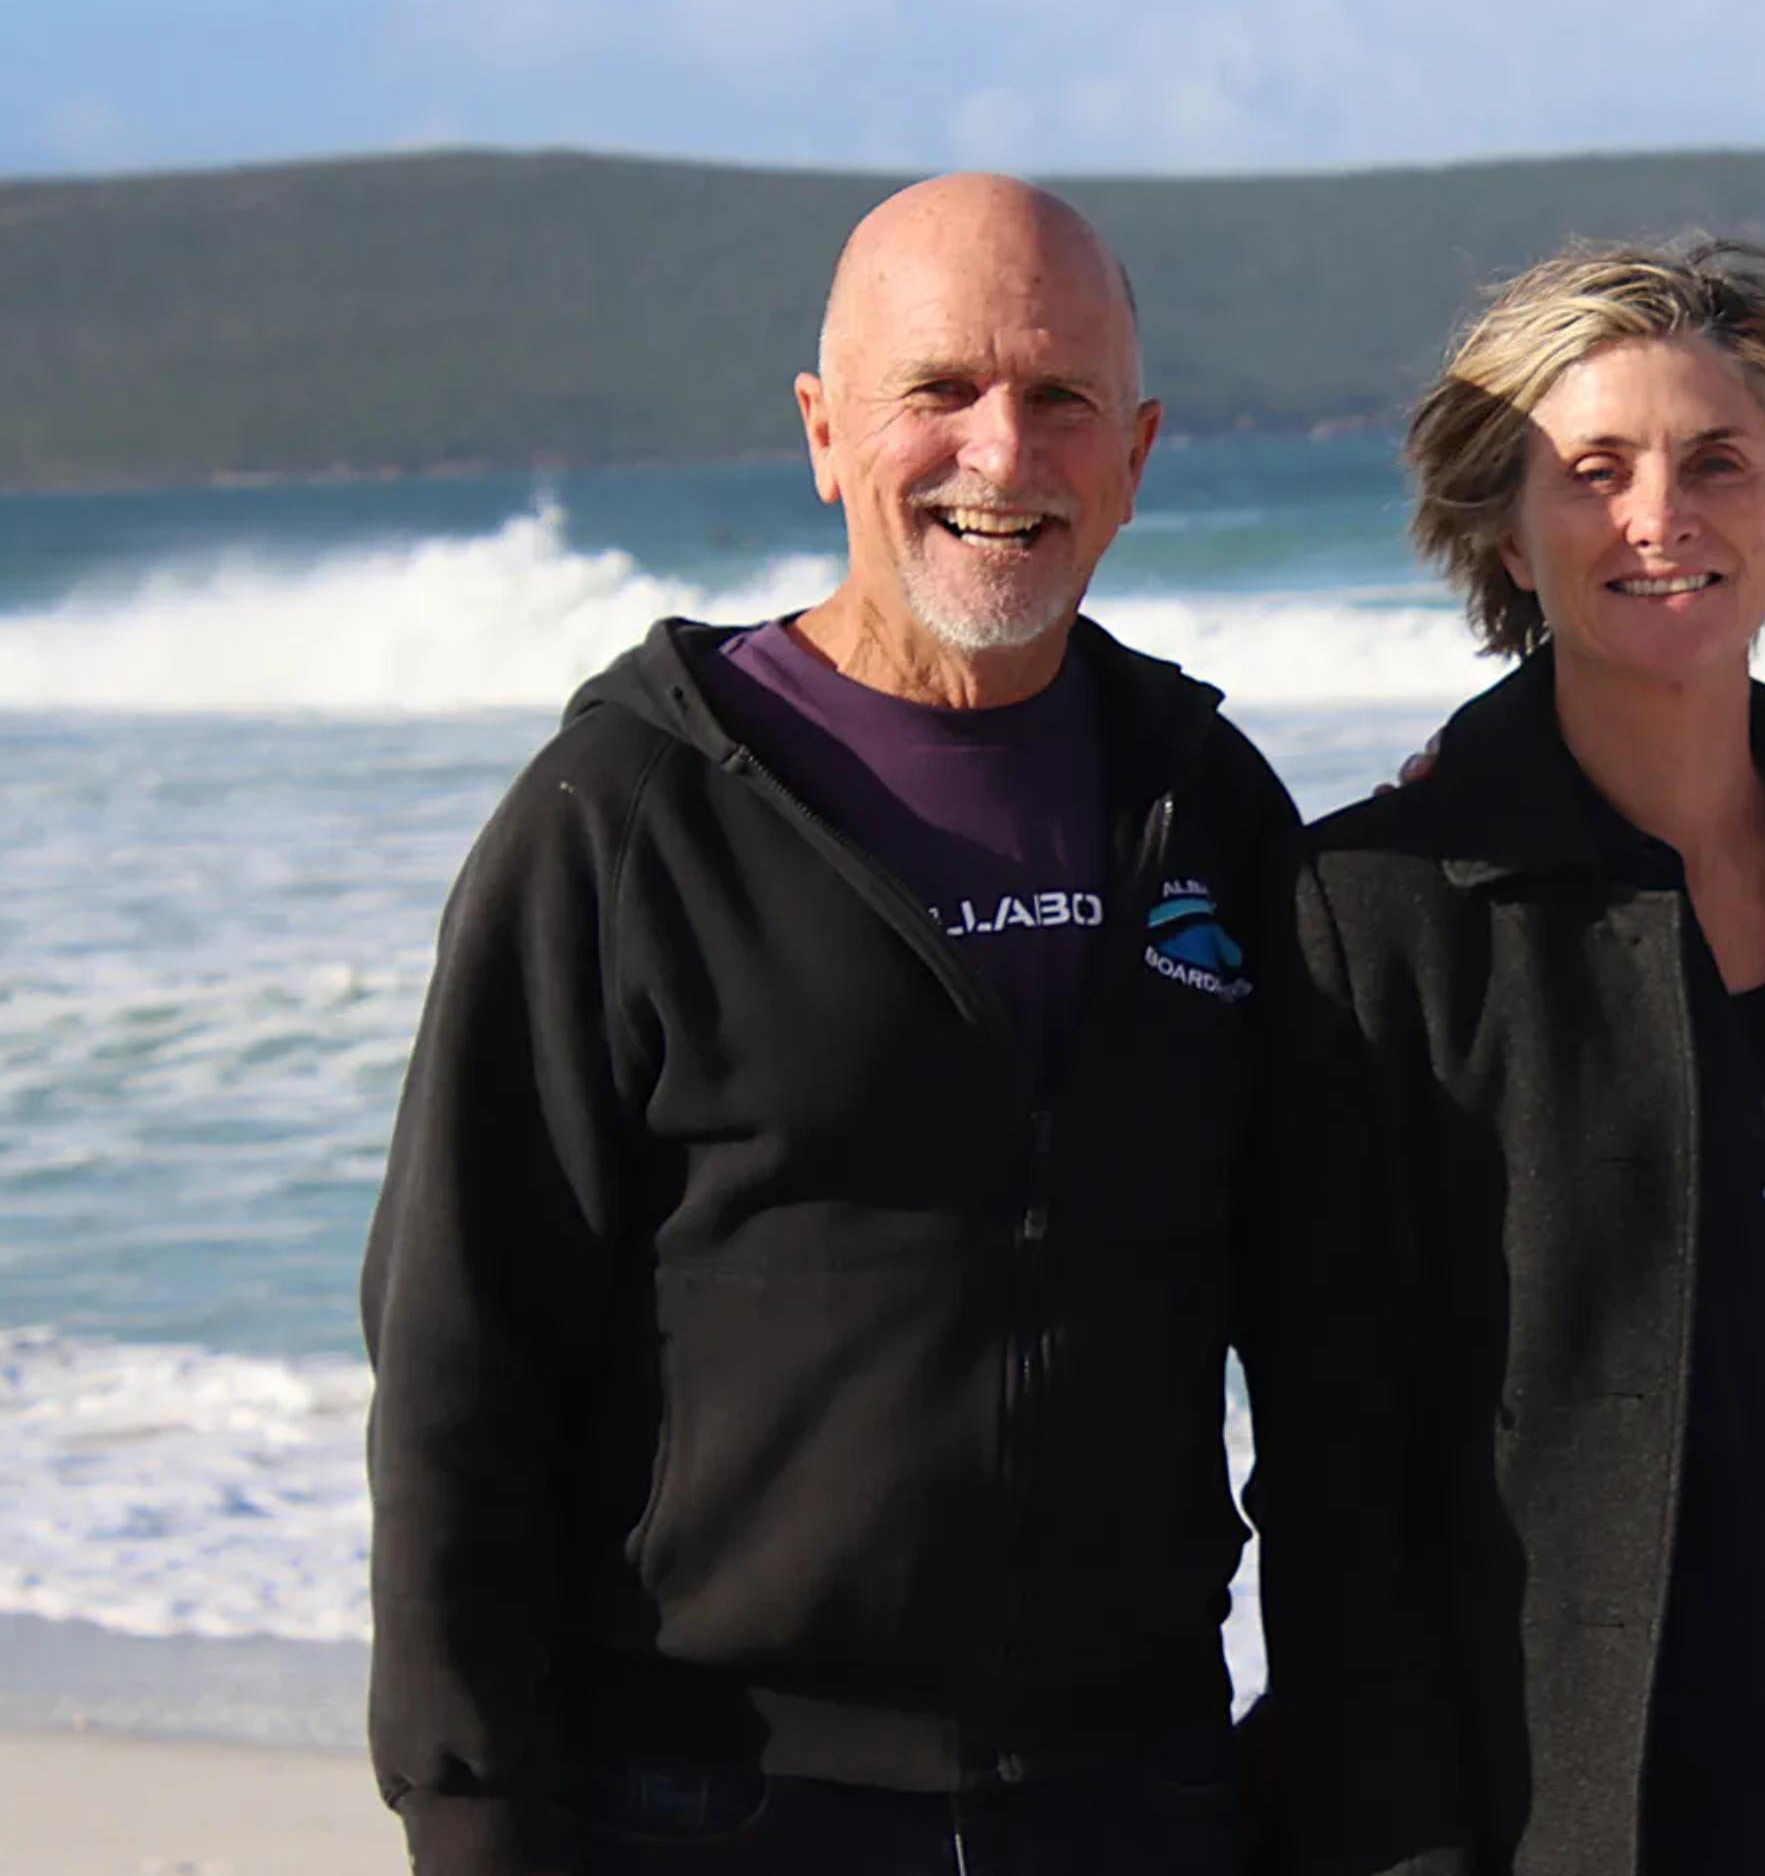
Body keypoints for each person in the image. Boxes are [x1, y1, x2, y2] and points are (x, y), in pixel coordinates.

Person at [363, 175, 1295, 1874]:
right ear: (821, 429)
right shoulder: (630, 811)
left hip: (1134, 1794)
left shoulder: (1206, 803)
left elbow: (1330, 1327)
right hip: (717, 1800)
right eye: (936, 391)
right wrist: (473, 1809)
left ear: (1139, 451)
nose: (1002, 455)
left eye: (1060, 397)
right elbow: (459, 1351)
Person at [1251, 240, 1765, 1876]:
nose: (1662, 517)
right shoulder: (1379, 917)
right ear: (1502, 523)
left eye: (1718, 461)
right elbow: (1345, 1495)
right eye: (1593, 472)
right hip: (1580, 1827)